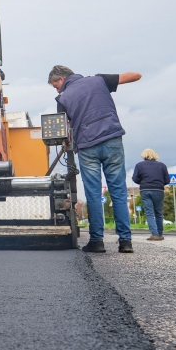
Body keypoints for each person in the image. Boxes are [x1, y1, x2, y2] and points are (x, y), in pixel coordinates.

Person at [48, 65, 142, 253]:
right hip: (112, 140)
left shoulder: (63, 98)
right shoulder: (100, 80)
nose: (57, 90)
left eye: (55, 85)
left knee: (93, 194)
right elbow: (136, 75)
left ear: (61, 78)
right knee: (118, 193)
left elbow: (64, 131)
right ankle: (125, 242)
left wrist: (67, 141)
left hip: (88, 146)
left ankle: (97, 242)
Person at [132, 149, 170, 241]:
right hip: (158, 190)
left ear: (144, 155)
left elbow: (135, 178)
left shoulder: (139, 165)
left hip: (145, 190)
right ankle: (160, 234)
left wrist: (142, 182)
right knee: (158, 213)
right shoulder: (162, 165)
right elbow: (167, 180)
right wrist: (159, 184)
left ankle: (154, 234)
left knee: (149, 213)